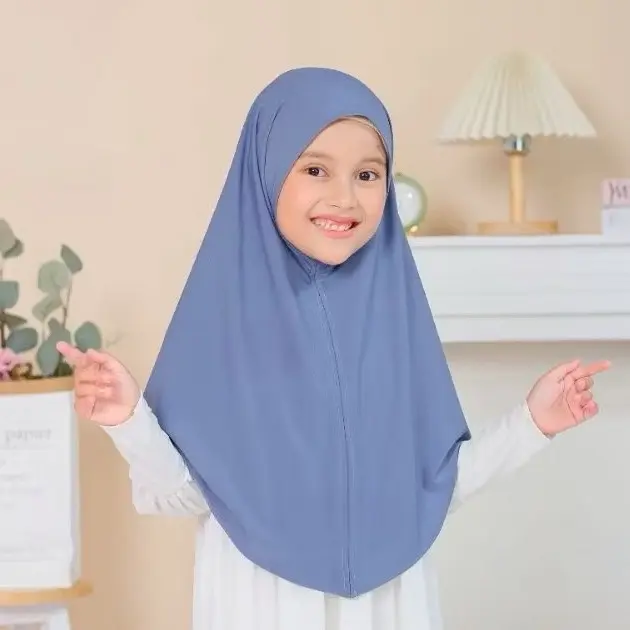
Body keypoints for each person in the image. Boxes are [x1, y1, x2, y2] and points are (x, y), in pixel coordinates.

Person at [57, 67, 610, 630]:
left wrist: (531, 423)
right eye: (315, 169)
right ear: (266, 169)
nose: (344, 198)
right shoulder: (221, 321)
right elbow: (181, 496)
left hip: (390, 606)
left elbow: (429, 492)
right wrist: (128, 419)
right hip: (263, 605)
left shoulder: (395, 315)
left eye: (368, 174)